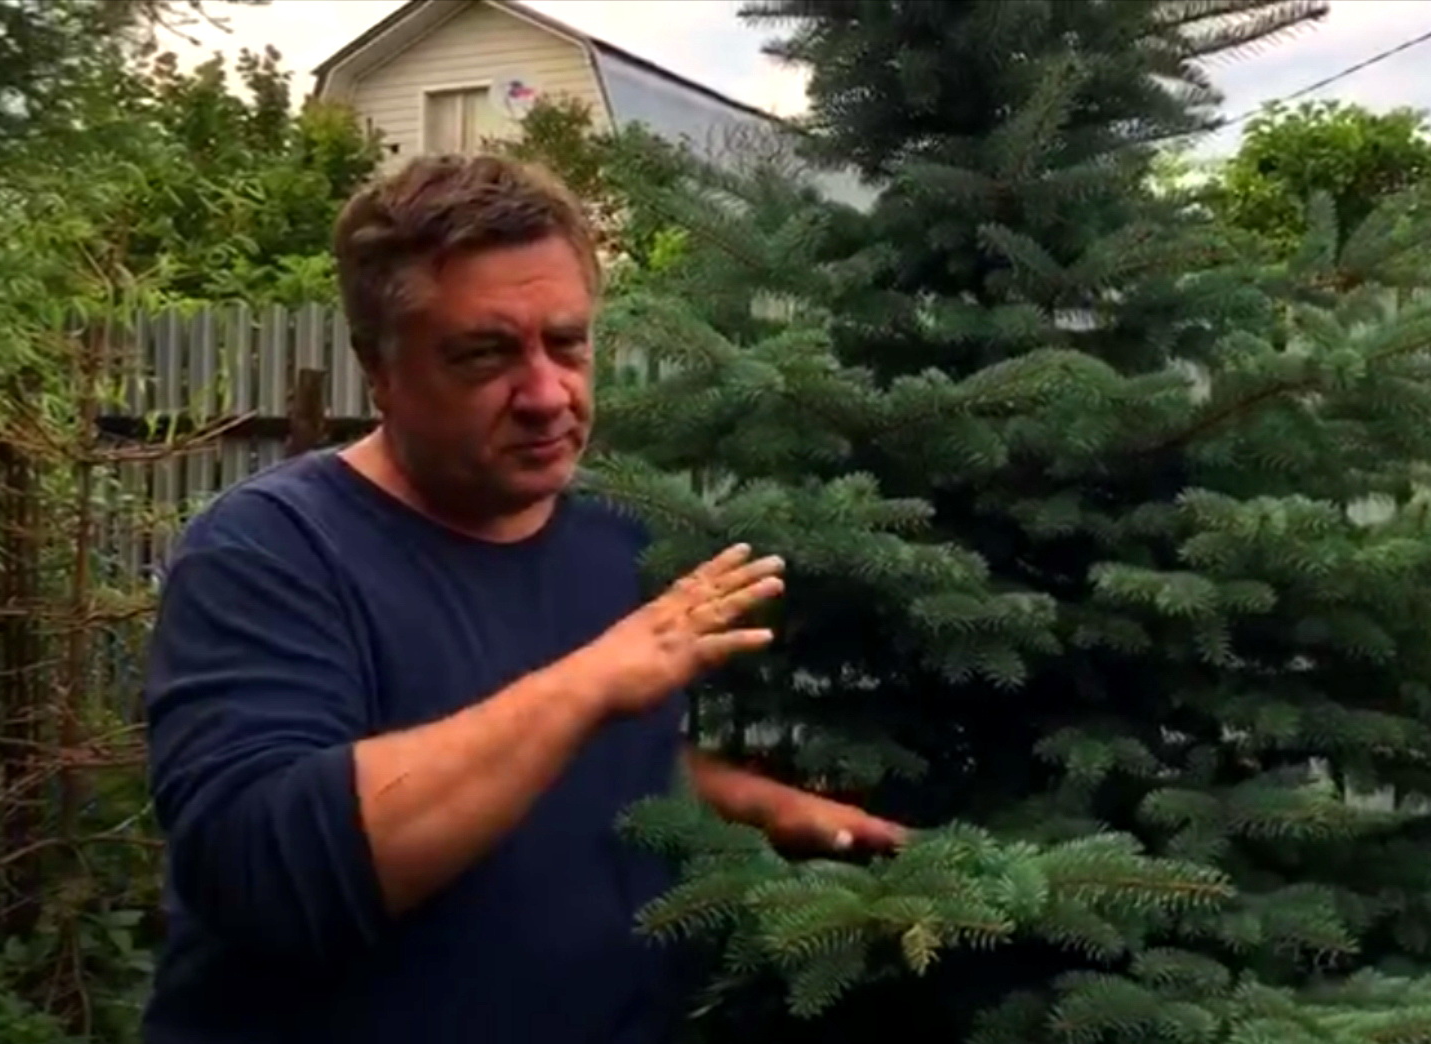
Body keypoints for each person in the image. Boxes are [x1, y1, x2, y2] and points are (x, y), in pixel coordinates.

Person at [139, 153, 906, 1044]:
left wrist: (766, 809)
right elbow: (266, 874)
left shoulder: (619, 536)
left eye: (567, 343)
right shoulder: (271, 550)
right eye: (485, 354)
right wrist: (589, 681)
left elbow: (608, 758)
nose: (547, 394)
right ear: (378, 369)